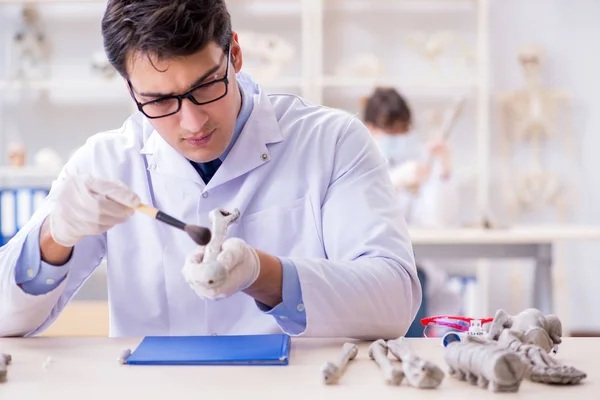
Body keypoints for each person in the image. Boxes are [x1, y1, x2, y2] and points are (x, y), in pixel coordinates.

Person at [0, 0, 421, 339]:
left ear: (234, 54)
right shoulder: (108, 161)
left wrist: (265, 274)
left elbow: (394, 301)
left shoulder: (331, 141)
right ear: (130, 89)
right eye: (160, 101)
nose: (192, 122)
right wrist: (57, 234)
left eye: (205, 87)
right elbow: (5, 319)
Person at [362, 87, 462, 336]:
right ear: (370, 128)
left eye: (403, 130)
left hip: (415, 268)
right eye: (390, 130)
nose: (398, 137)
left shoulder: (419, 162)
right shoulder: (356, 160)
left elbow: (437, 219)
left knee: (414, 284)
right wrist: (394, 180)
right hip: (368, 269)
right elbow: (359, 207)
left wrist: (443, 168)